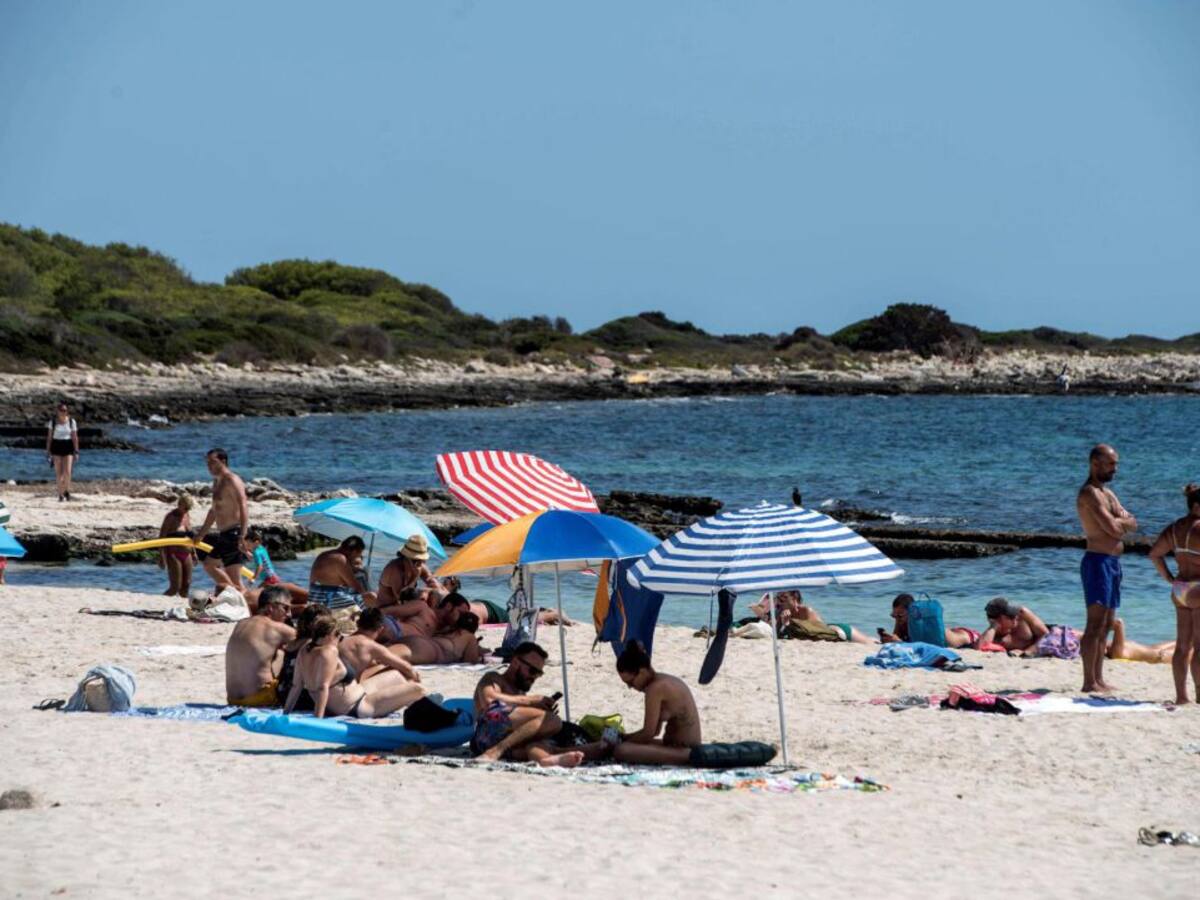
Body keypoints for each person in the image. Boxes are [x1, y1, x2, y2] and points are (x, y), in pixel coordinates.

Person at [1076, 444, 1137, 692]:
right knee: (1094, 624)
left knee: (1107, 625)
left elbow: (1133, 522)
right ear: (1095, 464)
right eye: (1111, 464)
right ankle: (1088, 681)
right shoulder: (1089, 493)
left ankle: (1099, 678)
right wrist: (1121, 523)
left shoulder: (1108, 494)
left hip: (1113, 563)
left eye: (1116, 464)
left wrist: (1120, 521)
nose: (1115, 469)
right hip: (1097, 562)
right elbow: (1113, 529)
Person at [283, 612, 425, 718]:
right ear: (328, 635)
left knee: (395, 676)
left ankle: (410, 706)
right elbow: (322, 687)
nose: (340, 638)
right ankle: (418, 711)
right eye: (338, 635)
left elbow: (296, 686)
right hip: (358, 706)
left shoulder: (304, 650)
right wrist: (318, 720)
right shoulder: (329, 651)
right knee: (418, 689)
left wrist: (285, 714)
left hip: (357, 692)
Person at [470, 642, 586, 767]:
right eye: (532, 671)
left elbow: (519, 717)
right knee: (552, 720)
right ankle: (495, 751)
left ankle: (547, 760)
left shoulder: (520, 692)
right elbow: (489, 699)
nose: (534, 677)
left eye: (539, 673)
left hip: (505, 741)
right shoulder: (494, 678)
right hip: (486, 733)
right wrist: (531, 701)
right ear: (515, 662)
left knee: (538, 743)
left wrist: (536, 711)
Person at [1148, 482, 1200, 703]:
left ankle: (1181, 696)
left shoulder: (1174, 528)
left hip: (1179, 589)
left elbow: (1154, 554)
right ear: (1196, 506)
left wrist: (1168, 577)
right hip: (1198, 588)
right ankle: (1199, 695)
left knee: (1182, 646)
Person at [611, 641, 702, 766]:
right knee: (623, 746)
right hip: (676, 746)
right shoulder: (661, 680)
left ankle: (687, 758)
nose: (630, 687)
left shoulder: (655, 689)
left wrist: (622, 741)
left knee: (621, 750)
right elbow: (655, 731)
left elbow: (648, 734)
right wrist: (624, 737)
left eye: (631, 682)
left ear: (642, 672)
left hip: (685, 750)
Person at [225, 586, 296, 706]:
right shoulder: (277, 628)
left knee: (278, 650)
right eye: (286, 608)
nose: (289, 614)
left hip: (233, 700)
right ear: (270, 607)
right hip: (262, 698)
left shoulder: (241, 624)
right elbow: (314, 641)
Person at [195, 448, 250, 593]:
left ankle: (241, 598)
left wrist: (243, 535)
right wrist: (201, 534)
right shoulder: (217, 482)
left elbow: (243, 504)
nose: (209, 466)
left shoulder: (231, 479)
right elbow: (214, 511)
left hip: (234, 533)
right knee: (209, 565)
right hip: (224, 534)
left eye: (212, 462)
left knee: (234, 579)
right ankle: (237, 595)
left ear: (223, 461)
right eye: (207, 462)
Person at [751, 590, 874, 643]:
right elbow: (777, 635)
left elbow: (813, 631)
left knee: (870, 644)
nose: (780, 601)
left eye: (784, 598)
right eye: (778, 598)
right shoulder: (780, 612)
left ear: (794, 598)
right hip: (830, 634)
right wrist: (783, 623)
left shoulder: (806, 611)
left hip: (840, 631)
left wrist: (788, 624)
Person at [340, 607, 422, 684]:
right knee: (397, 669)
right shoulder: (373, 647)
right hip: (352, 688)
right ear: (381, 629)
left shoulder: (342, 640)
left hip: (337, 685)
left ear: (358, 623)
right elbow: (407, 668)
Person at [879, 593, 980, 649]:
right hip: (955, 632)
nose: (897, 619)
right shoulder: (904, 622)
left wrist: (899, 642)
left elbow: (921, 647)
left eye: (900, 616)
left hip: (970, 637)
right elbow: (898, 636)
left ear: (911, 613)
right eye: (894, 615)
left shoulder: (921, 626)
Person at [308, 536, 375, 613]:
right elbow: (356, 587)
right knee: (371, 597)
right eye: (358, 554)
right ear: (354, 551)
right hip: (327, 600)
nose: (357, 557)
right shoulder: (340, 559)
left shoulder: (325, 554)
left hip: (315, 597)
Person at [245, 529, 308, 610]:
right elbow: (257, 558)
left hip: (269, 579)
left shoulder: (256, 552)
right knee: (274, 596)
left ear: (256, 542)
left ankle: (295, 607)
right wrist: (246, 552)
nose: (247, 546)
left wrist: (253, 578)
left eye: (248, 544)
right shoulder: (261, 548)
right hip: (272, 576)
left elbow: (260, 566)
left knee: (264, 597)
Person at [394, 611, 485, 665]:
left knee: (389, 654)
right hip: (429, 650)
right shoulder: (470, 637)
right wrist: (478, 654)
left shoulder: (447, 629)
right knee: (392, 658)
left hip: (417, 640)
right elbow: (470, 662)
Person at [979, 597, 1050, 657]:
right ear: (998, 620)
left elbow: (1046, 634)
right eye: (1011, 616)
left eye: (1015, 613)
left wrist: (1026, 651)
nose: (1016, 617)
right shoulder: (995, 637)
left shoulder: (1022, 613)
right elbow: (980, 648)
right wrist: (993, 626)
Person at [157, 495, 195, 598]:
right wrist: (162, 557)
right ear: (180, 504)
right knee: (175, 587)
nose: (187, 510)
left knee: (187, 584)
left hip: (187, 552)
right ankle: (160, 601)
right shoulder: (170, 517)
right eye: (185, 508)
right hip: (173, 553)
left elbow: (190, 536)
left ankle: (183, 604)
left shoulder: (187, 515)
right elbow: (161, 537)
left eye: (189, 508)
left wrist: (194, 553)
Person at [45, 402, 79, 502]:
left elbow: (75, 437)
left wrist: (76, 451)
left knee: (67, 472)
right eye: (61, 410)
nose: (63, 412)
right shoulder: (53, 422)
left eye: (65, 410)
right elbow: (49, 438)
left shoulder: (72, 422)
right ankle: (60, 494)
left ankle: (66, 490)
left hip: (68, 446)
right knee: (59, 473)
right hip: (56, 446)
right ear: (58, 411)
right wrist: (48, 451)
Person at [1106, 617, 1175, 665]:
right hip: (1161, 656)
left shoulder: (1114, 645)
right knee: (1181, 645)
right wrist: (1101, 627)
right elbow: (1118, 623)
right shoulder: (1116, 653)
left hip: (1155, 648)